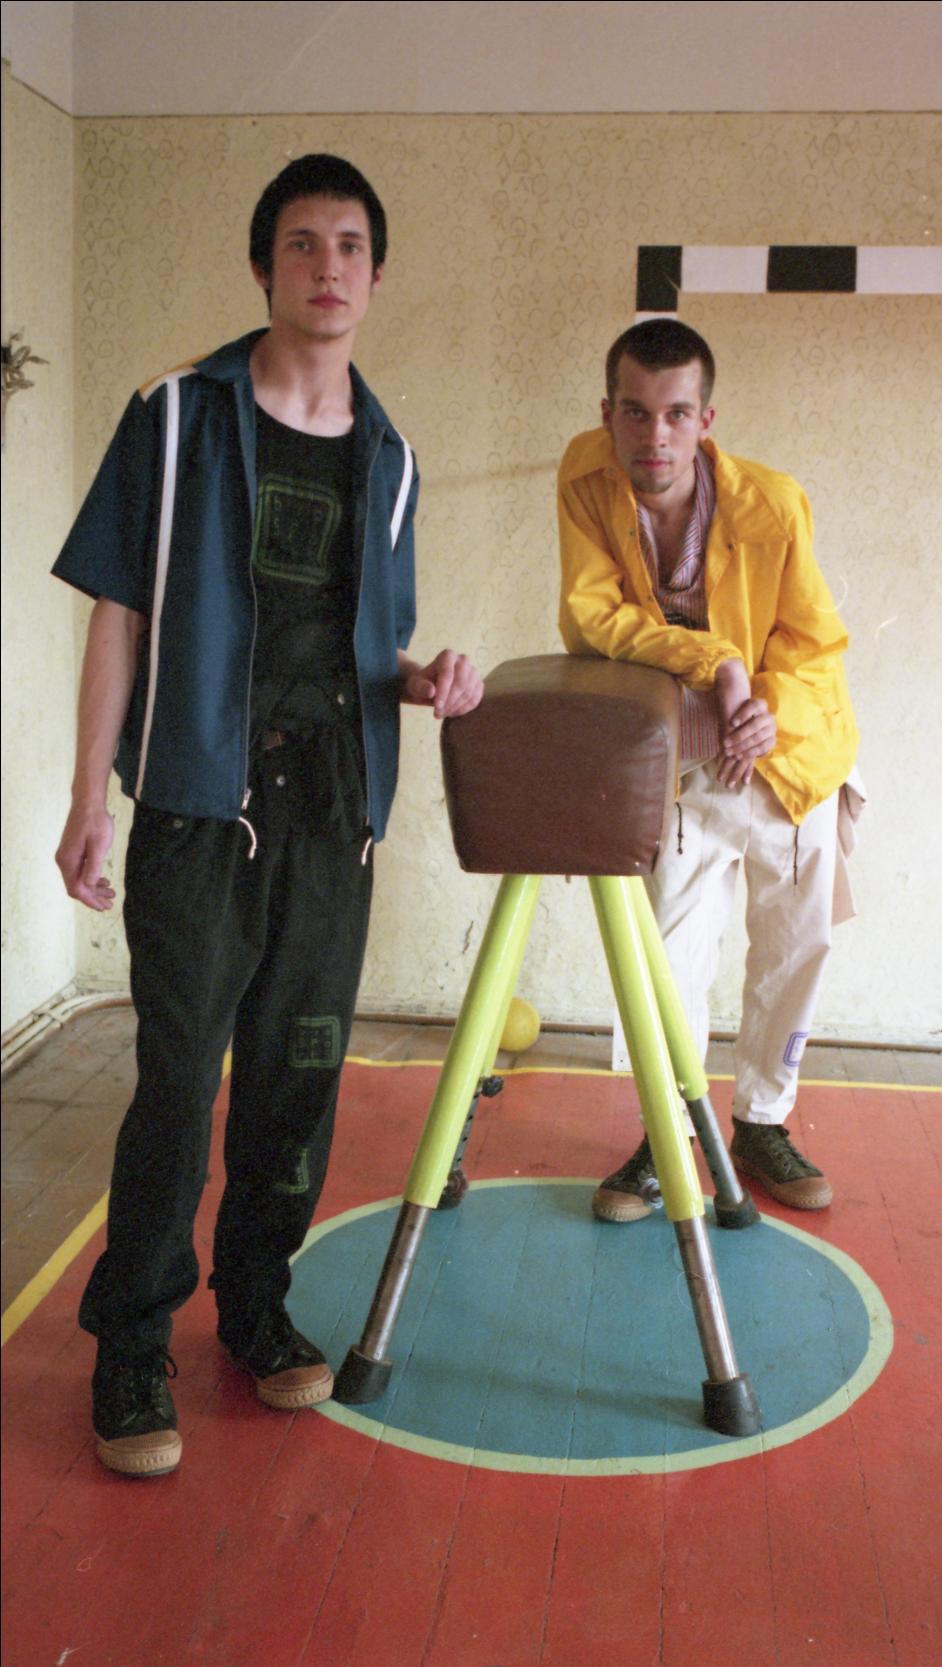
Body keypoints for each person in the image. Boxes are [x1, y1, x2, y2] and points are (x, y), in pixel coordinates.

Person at [52, 154, 483, 1477]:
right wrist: (86, 795)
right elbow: (120, 611)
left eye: (350, 244)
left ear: (376, 273)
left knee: (298, 1077)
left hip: (331, 816)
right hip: (199, 810)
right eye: (302, 242)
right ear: (262, 266)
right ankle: (133, 1342)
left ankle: (254, 1304)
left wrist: (425, 678)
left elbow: (365, 647)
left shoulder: (392, 459)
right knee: (180, 1082)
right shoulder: (176, 413)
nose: (327, 265)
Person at [557, 319, 859, 1224]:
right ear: (607, 413)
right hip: (686, 761)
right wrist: (714, 661)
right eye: (636, 413)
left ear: (706, 420)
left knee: (794, 947)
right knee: (667, 959)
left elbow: (816, 644)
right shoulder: (584, 480)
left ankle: (762, 1122)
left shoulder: (774, 505)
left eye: (676, 414)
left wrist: (768, 707)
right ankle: (669, 1132)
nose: (655, 436)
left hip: (788, 758)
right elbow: (590, 618)